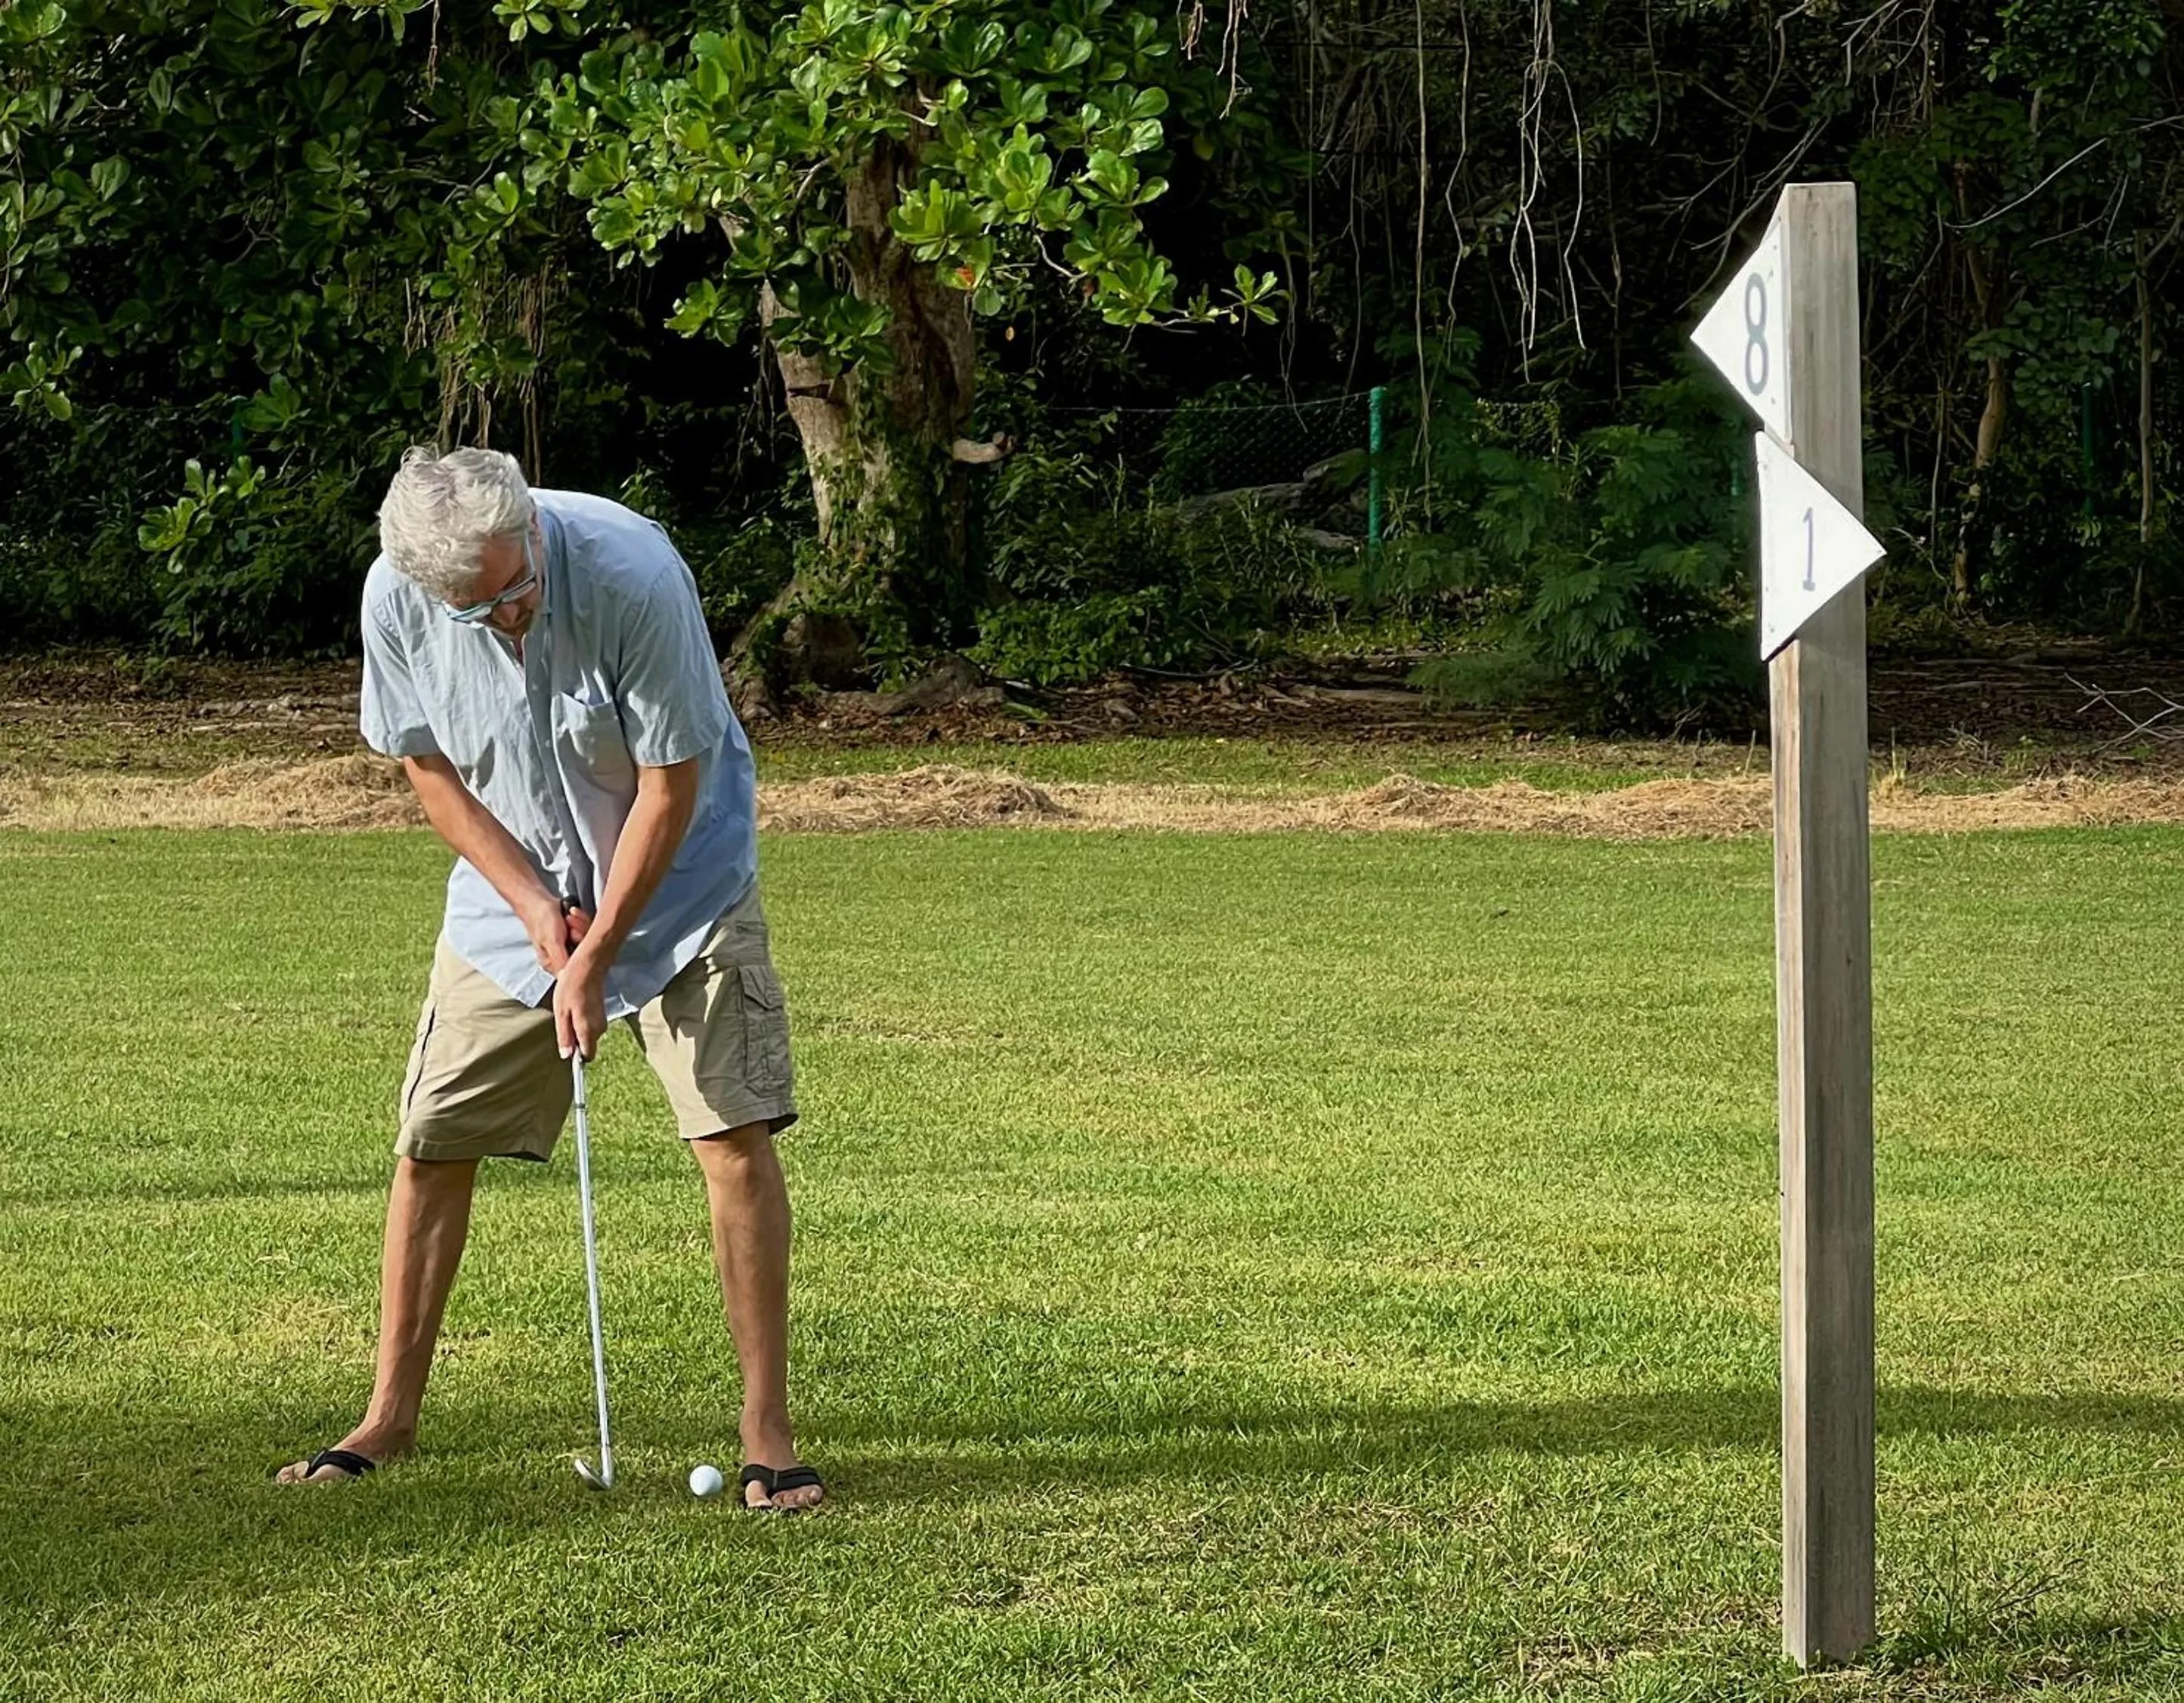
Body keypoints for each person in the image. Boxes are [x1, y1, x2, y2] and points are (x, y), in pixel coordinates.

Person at [277, 447, 821, 1512]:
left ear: (528, 529)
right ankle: (386, 1414)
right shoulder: (400, 594)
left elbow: (670, 784)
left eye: (519, 588)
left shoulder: (633, 574)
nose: (511, 614)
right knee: (432, 1139)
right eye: (482, 611)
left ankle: (768, 1432)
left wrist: (600, 944)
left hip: (681, 886)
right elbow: (427, 768)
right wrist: (535, 909)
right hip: (509, 892)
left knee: (730, 1131)